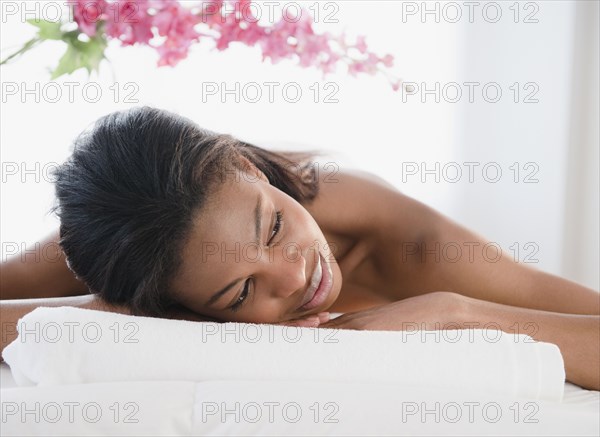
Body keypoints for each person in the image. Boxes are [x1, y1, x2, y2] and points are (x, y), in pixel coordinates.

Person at [1, 106, 598, 390]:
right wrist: (107, 313)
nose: (294, 277)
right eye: (239, 292)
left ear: (248, 169)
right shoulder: (135, 246)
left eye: (276, 228)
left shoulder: (406, 245)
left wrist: (456, 313)